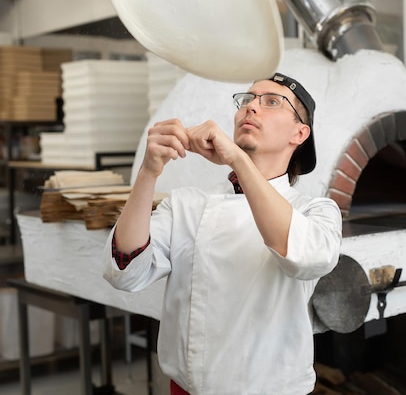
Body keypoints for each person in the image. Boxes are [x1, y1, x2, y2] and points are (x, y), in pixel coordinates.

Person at [102, 73, 342, 395]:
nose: (251, 107)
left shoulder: (316, 212)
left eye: (272, 101)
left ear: (300, 133)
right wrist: (149, 172)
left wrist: (237, 159)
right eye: (247, 99)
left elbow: (304, 257)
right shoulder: (186, 204)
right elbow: (126, 273)